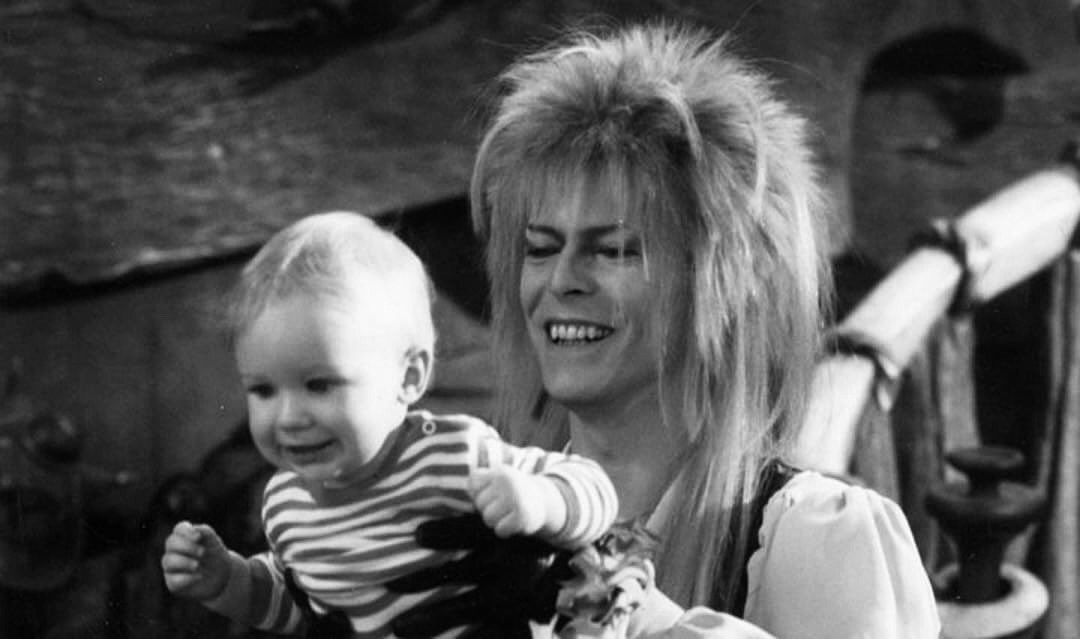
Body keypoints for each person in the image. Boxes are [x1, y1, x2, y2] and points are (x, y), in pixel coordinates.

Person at [392, 20, 941, 639]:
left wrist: (647, 618)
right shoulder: (479, 529)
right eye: (540, 248)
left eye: (614, 250)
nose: (562, 280)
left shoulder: (819, 539)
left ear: (732, 279)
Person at [158, 211, 623, 637]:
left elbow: (595, 487)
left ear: (409, 377)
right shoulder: (284, 503)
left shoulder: (452, 455)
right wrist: (228, 581)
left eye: (319, 385)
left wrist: (540, 501)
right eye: (263, 390)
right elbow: (299, 608)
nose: (289, 418)